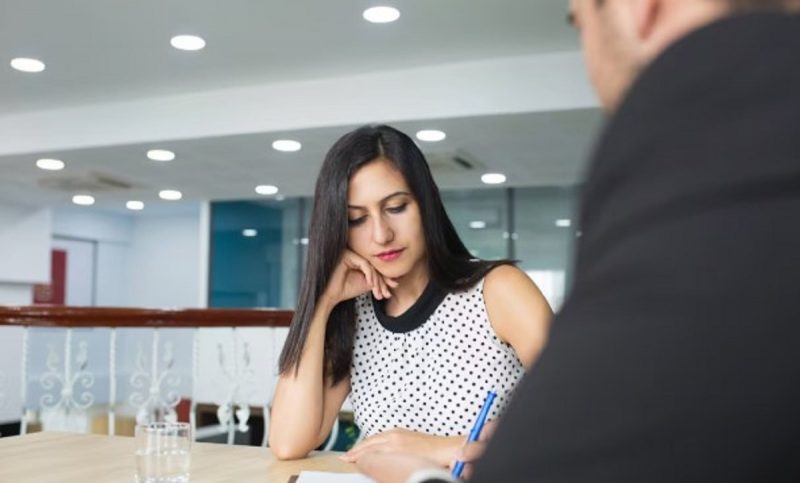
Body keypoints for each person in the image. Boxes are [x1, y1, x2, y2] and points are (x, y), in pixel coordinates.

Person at [357, 0, 800, 481]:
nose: (590, 67)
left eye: (581, 24)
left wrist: (414, 471)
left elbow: (602, 441)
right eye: (356, 218)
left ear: (639, 8)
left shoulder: (708, 138)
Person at [268, 125, 552, 467]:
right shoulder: (354, 313)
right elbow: (287, 442)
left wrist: (441, 449)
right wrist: (322, 301)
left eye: (397, 207)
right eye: (356, 219)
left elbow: (589, 414)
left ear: (426, 203)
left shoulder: (498, 290)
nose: (381, 234)